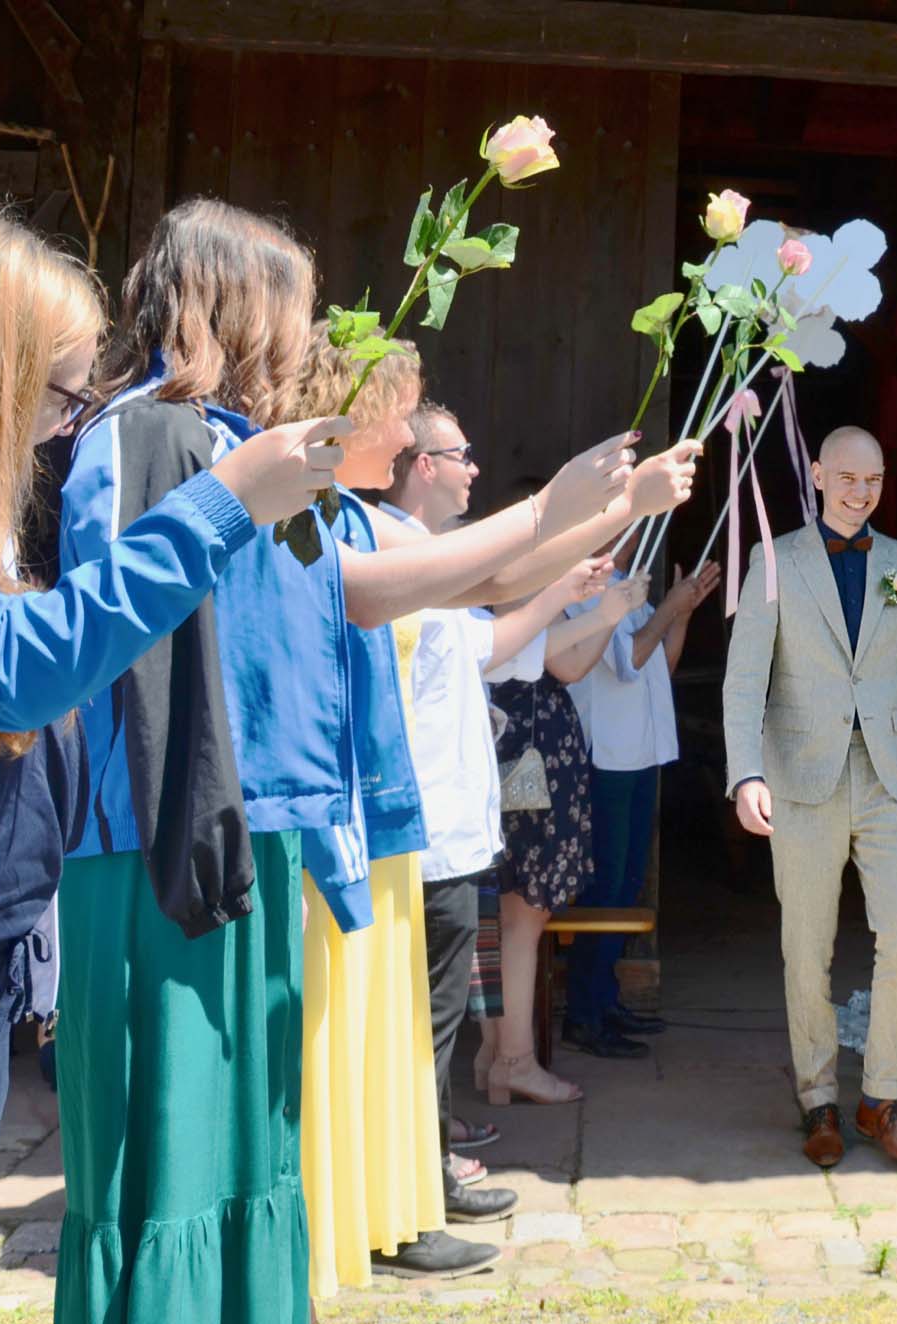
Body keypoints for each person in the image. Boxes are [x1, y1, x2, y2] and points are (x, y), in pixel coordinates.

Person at [58, 198, 691, 1316]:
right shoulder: (148, 436)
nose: (304, 340)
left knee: (252, 1141)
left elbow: (394, 586)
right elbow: (329, 598)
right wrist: (553, 509)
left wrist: (583, 510)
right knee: (176, 1149)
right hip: (172, 834)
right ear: (237, 304)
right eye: (293, 310)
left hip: (265, 825)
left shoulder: (237, 450)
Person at [0, 198, 341, 1324]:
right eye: (59, 394)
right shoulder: (146, 440)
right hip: (78, 888)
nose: (63, 428)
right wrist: (223, 504)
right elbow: (20, 663)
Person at [289, 328, 695, 1289]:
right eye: (401, 420)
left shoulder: (380, 530)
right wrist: (578, 507)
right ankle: (398, 1200)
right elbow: (498, 584)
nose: (407, 441)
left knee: (422, 1021)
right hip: (390, 820)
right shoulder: (332, 524)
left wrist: (617, 511)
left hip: (423, 821)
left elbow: (501, 589)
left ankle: (412, 1189)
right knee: (404, 1025)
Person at [373, 404, 627, 1175]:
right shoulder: (407, 555)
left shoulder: (441, 557)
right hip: (463, 785)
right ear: (425, 464)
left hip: (472, 795)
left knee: (470, 955)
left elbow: (495, 645)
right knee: (497, 929)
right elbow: (542, 659)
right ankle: (459, 1111)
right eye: (463, 455)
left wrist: (583, 593)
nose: (474, 469)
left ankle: (451, 1115)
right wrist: (597, 599)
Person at [722, 425, 897, 1170]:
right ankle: (818, 1100)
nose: (862, 493)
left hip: (891, 776)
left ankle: (881, 1100)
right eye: (849, 478)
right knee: (806, 947)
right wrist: (745, 774)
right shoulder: (774, 560)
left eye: (875, 480)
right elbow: (744, 680)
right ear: (819, 475)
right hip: (801, 773)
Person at [483, 570, 645, 1097]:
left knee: (502, 918)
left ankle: (494, 1055)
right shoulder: (530, 578)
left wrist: (608, 614)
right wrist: (610, 615)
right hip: (532, 755)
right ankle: (514, 1060)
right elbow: (570, 666)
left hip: (511, 744)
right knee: (522, 920)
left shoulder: (501, 576)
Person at [561, 537, 722, 1059]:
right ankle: (584, 1015)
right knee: (605, 890)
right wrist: (668, 608)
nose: (636, 534)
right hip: (605, 757)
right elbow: (628, 659)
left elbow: (659, 666)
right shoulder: (588, 589)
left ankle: (604, 1000)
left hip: (638, 755)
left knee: (626, 884)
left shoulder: (628, 589)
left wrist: (681, 614)